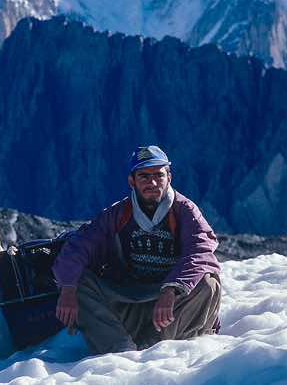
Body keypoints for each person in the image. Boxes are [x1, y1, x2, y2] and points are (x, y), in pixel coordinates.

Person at [52, 145, 221, 354]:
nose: (152, 183)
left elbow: (200, 250)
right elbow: (79, 245)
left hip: (171, 305)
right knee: (79, 281)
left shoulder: (185, 211)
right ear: (132, 181)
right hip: (129, 298)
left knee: (208, 282)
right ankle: (119, 348)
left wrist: (170, 289)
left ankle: (155, 345)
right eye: (144, 176)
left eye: (158, 175)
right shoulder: (118, 214)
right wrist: (67, 289)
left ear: (169, 177)